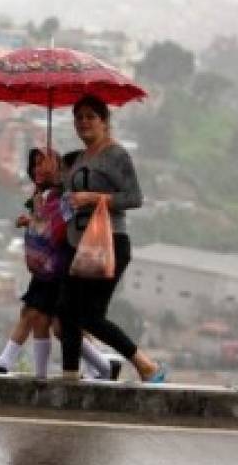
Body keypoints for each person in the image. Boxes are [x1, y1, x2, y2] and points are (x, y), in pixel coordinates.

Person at [0, 148, 120, 380]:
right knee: (44, 319)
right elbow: (48, 224)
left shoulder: (65, 194)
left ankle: (11, 362)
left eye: (43, 163)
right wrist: (33, 219)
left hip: (58, 267)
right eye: (34, 165)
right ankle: (91, 366)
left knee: (48, 320)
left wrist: (35, 222)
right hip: (48, 266)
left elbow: (57, 228)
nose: (37, 169)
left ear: (57, 165)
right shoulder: (46, 195)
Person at [56, 94, 167, 383]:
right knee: (67, 313)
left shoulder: (116, 155)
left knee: (90, 316)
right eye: (78, 118)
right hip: (77, 244)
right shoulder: (80, 158)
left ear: (105, 122)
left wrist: (94, 198)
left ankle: (146, 365)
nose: (83, 123)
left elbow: (134, 198)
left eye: (91, 116)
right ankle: (70, 376)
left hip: (107, 244)